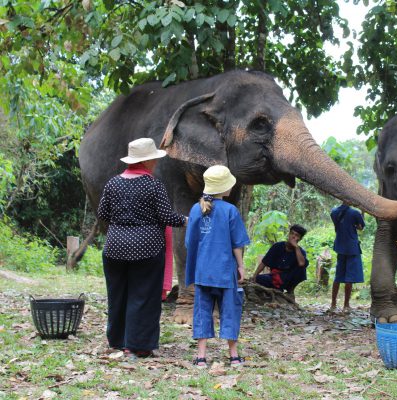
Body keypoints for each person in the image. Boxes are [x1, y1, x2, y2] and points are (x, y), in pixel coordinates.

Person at [98, 137, 187, 359]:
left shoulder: (113, 183)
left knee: (118, 295)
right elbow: (167, 217)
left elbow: (103, 214)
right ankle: (137, 345)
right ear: (147, 162)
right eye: (153, 160)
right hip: (146, 248)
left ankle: (118, 341)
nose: (155, 163)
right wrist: (187, 219)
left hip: (115, 248)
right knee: (143, 296)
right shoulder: (153, 185)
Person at [185, 165, 250, 368]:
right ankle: (233, 356)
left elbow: (190, 243)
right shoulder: (230, 211)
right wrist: (241, 267)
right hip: (225, 272)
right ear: (224, 188)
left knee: (202, 311)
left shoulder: (197, 209)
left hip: (203, 272)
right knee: (230, 310)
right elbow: (236, 244)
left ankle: (201, 358)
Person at [252, 224, 309, 299]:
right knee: (259, 279)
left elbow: (301, 264)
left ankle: (290, 291)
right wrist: (254, 275)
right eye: (292, 233)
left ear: (300, 239)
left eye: (297, 235)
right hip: (274, 277)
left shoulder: (300, 252)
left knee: (303, 266)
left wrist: (296, 247)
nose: (293, 237)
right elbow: (264, 262)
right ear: (288, 234)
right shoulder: (277, 246)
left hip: (289, 279)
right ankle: (276, 290)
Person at [329, 202, 365, 313]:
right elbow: (361, 227)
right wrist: (362, 213)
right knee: (349, 277)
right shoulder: (355, 213)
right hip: (352, 248)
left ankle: (333, 304)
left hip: (340, 246)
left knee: (338, 276)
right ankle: (346, 305)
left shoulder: (334, 212)